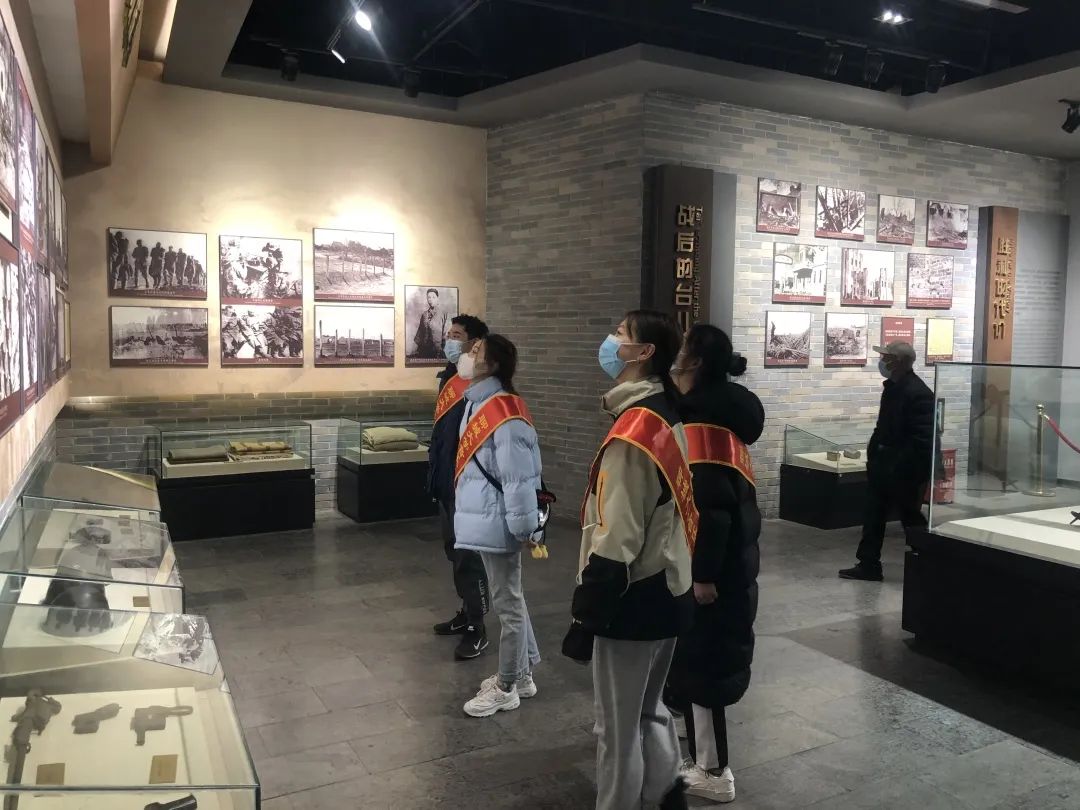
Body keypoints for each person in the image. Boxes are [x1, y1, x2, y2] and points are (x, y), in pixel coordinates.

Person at [565, 310, 695, 810]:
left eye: (620, 334)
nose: (610, 340)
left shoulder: (634, 431)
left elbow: (618, 533)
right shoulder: (665, 412)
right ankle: (664, 793)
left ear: (643, 353)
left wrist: (589, 610)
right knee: (649, 709)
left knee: (616, 728)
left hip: (632, 595)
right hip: (669, 584)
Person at [667, 325, 763, 804]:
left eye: (682, 346)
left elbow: (711, 513)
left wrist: (702, 576)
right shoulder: (720, 416)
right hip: (729, 566)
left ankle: (713, 770)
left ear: (695, 362)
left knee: (704, 665)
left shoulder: (701, 428)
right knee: (701, 662)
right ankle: (699, 747)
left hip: (713, 574)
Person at [453, 334, 543, 718]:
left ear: (491, 365)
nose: (466, 355)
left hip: (499, 520)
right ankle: (522, 676)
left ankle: (506, 687)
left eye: (476, 352)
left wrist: (524, 529)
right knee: (510, 599)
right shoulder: (478, 402)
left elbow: (518, 479)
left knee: (508, 605)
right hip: (486, 517)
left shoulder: (503, 411)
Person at [839, 341, 935, 582]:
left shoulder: (918, 393)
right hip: (884, 467)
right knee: (873, 517)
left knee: (910, 517)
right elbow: (883, 428)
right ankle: (868, 563)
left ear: (899, 361)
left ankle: (929, 559)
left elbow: (922, 439)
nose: (882, 361)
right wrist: (875, 455)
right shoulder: (893, 388)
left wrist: (899, 465)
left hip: (903, 471)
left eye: (886, 357)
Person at [430, 314, 493, 660]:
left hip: (467, 483)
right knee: (454, 550)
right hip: (447, 480)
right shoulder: (449, 377)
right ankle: (466, 611)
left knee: (469, 555)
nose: (450, 341)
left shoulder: (479, 384)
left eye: (457, 335)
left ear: (475, 343)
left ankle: (477, 626)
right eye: (449, 334)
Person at [412, 288, 448, 359]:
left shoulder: (444, 313)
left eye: (433, 297)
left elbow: (446, 334)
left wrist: (442, 350)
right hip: (424, 351)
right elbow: (420, 333)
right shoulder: (424, 314)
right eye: (429, 297)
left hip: (438, 351)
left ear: (437, 298)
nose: (431, 299)